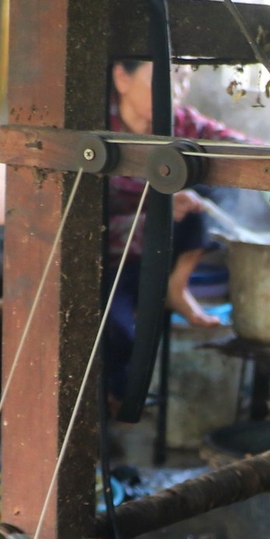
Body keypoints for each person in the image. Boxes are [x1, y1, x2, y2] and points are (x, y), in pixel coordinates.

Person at [101, 59, 243, 402]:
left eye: (183, 79)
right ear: (121, 77)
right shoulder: (97, 130)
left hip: (156, 262)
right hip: (103, 264)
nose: (176, 91)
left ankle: (175, 287)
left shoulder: (182, 123)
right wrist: (159, 211)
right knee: (121, 333)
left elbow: (243, 149)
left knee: (206, 189)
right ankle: (110, 413)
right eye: (166, 79)